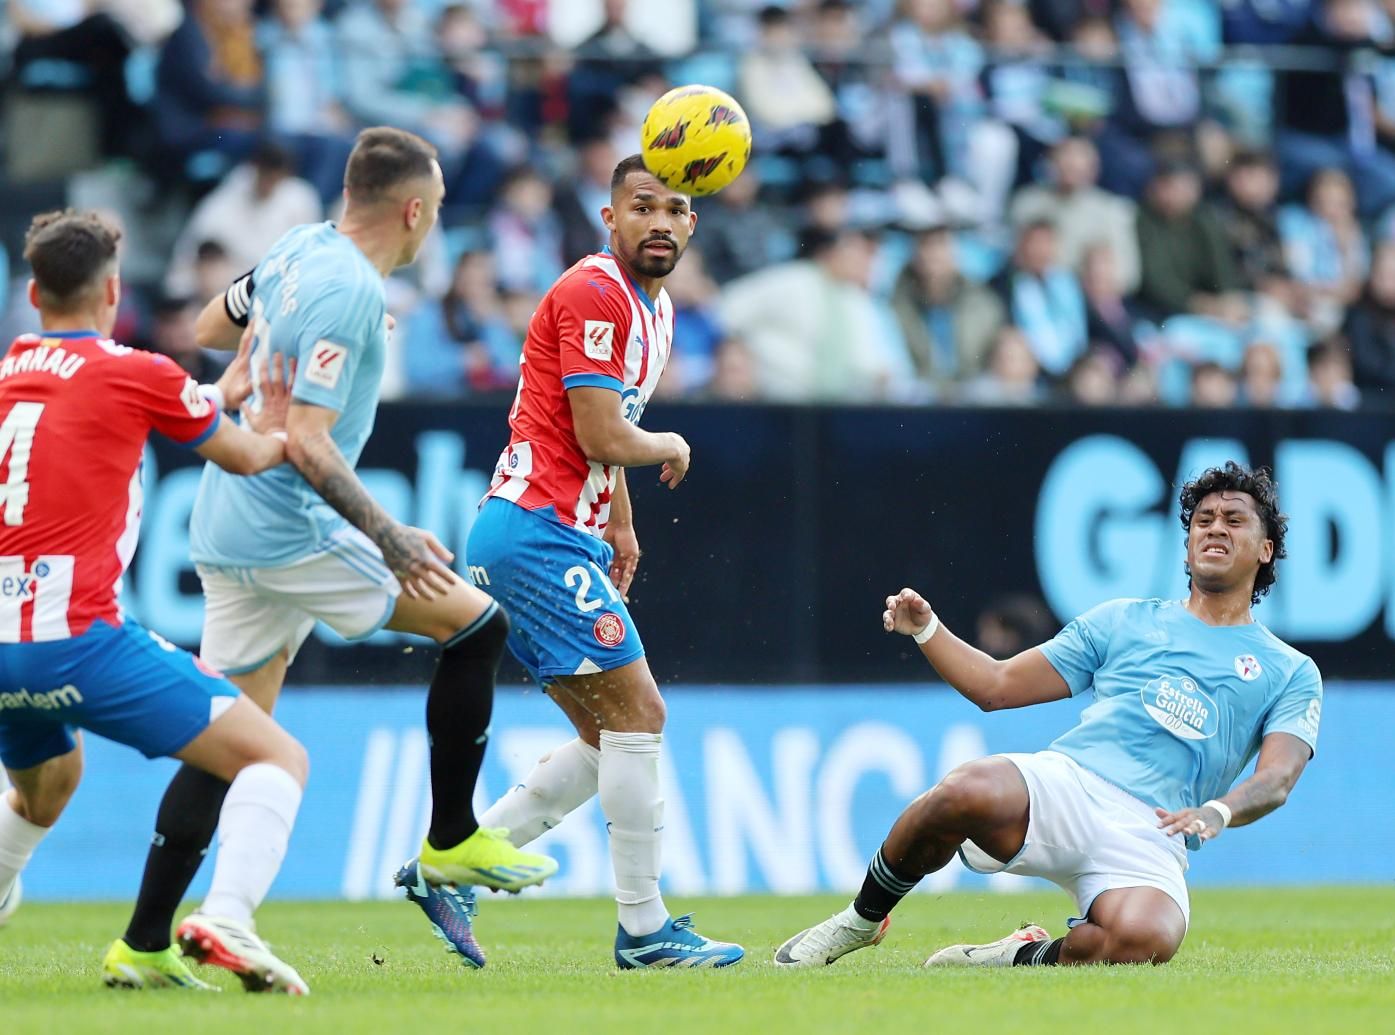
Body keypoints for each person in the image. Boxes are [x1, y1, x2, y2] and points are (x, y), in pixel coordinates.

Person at [108, 127, 557, 982]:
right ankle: (452, 837)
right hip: (289, 527)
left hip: (225, 518)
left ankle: (144, 940)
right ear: (415, 211)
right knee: (474, 625)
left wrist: (259, 359)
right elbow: (312, 446)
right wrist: (389, 537)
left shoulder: (295, 248)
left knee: (229, 736)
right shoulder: (348, 289)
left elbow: (209, 321)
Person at [776, 461, 1321, 969]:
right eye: (1203, 520)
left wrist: (1218, 812)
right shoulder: (1122, 620)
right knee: (964, 789)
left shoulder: (1290, 670)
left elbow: (1276, 779)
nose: (1214, 528)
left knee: (1147, 940)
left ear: (1266, 549)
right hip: (1072, 788)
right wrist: (927, 629)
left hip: (1155, 832)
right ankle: (857, 922)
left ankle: (1020, 955)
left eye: (1233, 520)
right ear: (1186, 549)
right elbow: (995, 686)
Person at [0, 210, 311, 993]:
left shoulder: (10, 371)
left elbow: (98, 416)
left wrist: (211, 393)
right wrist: (275, 422)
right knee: (277, 756)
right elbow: (244, 457)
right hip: (79, 641)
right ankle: (227, 918)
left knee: (51, 779)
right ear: (113, 290)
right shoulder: (137, 370)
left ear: (34, 292)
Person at [463, 154, 745, 969]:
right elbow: (601, 433)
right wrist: (672, 443)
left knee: (603, 735)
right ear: (608, 217)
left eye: (675, 209)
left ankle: (453, 865)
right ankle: (644, 929)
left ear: (692, 224)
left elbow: (604, 430)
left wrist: (619, 521)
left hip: (557, 530)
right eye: (641, 206)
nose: (658, 222)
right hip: (533, 528)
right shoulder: (594, 290)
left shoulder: (651, 312)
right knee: (642, 716)